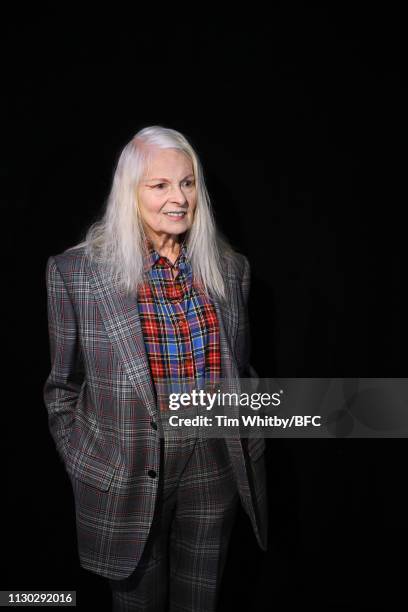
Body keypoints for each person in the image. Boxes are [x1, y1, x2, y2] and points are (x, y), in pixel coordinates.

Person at [43, 125, 268, 611]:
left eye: (187, 183)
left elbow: (242, 370)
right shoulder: (75, 273)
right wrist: (86, 466)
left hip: (213, 470)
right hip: (126, 476)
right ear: (130, 192)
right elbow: (62, 388)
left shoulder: (230, 269)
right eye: (160, 185)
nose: (179, 198)